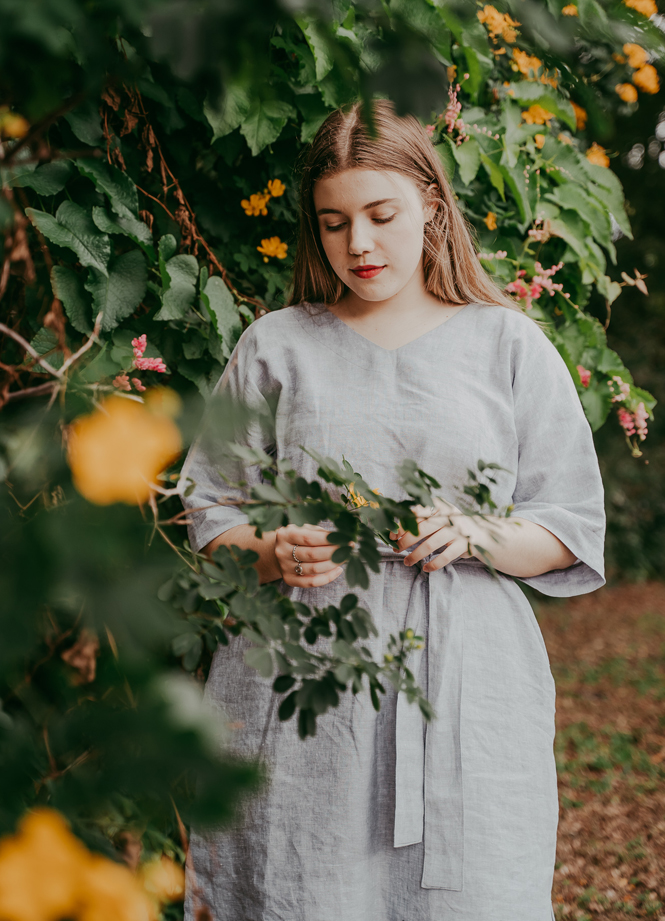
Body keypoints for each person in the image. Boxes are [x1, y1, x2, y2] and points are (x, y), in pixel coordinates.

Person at [180, 100, 605, 921]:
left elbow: (567, 525)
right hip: (300, 680)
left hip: (464, 679)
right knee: (299, 886)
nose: (359, 245)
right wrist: (269, 551)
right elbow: (209, 506)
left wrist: (480, 531)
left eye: (381, 215)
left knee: (469, 891)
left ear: (432, 208)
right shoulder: (275, 345)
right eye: (333, 223)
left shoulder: (506, 344)